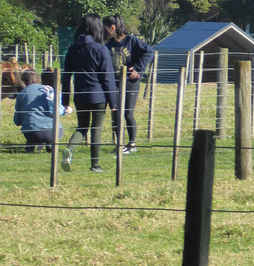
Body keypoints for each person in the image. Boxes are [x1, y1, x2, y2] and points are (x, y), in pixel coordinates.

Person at [62, 13, 118, 173]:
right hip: (99, 96)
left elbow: (66, 77)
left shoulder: (72, 49)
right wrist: (113, 103)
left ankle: (69, 150)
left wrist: (65, 101)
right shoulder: (101, 49)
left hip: (80, 95)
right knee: (96, 129)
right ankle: (95, 165)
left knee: (82, 127)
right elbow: (108, 78)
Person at [104, 14, 153, 154]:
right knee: (116, 113)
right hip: (115, 83)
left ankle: (132, 144)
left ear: (112, 28)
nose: (104, 31)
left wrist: (138, 69)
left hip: (131, 82)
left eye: (105, 28)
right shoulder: (109, 44)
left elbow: (149, 52)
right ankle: (120, 144)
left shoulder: (132, 41)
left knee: (128, 113)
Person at [12, 68, 70, 153]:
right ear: (38, 79)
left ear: (24, 81)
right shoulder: (48, 90)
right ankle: (50, 145)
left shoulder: (22, 94)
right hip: (54, 131)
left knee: (31, 128)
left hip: (31, 132)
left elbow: (17, 120)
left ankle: (30, 148)